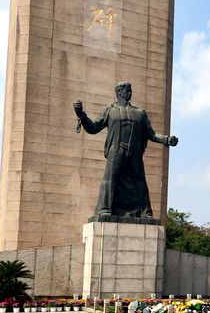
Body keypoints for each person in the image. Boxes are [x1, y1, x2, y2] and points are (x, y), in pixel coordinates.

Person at [74, 82, 179, 218]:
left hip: (134, 151)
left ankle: (146, 212)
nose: (130, 92)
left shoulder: (139, 113)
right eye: (127, 90)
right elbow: (93, 128)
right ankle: (104, 209)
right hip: (117, 149)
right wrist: (81, 115)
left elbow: (151, 134)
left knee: (140, 180)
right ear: (119, 92)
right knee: (110, 179)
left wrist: (166, 139)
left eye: (130, 90)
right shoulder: (109, 111)